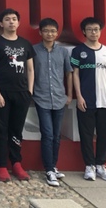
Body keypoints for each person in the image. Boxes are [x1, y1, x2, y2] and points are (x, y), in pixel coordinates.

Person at [0, 8, 34, 182]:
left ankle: (16, 163)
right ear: (1, 23)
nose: (11, 22)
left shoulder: (25, 44)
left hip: (22, 93)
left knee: (17, 130)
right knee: (1, 130)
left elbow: (30, 69)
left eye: (14, 19)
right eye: (7, 19)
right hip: (2, 93)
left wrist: (29, 91)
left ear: (18, 22)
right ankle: (1, 165)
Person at [71, 17, 106, 182]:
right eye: (90, 29)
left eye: (96, 29)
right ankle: (89, 166)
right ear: (84, 32)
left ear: (100, 31)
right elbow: (75, 74)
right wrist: (79, 96)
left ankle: (101, 165)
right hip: (86, 100)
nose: (93, 32)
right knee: (86, 135)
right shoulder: (78, 51)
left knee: (105, 134)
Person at [32, 17, 72, 187]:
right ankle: (48, 169)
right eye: (46, 31)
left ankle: (53, 166)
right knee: (47, 134)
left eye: (53, 31)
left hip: (59, 98)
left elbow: (69, 73)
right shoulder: (33, 50)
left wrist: (69, 95)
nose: (50, 34)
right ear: (40, 32)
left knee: (56, 135)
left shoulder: (63, 52)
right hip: (41, 98)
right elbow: (30, 72)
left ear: (57, 33)